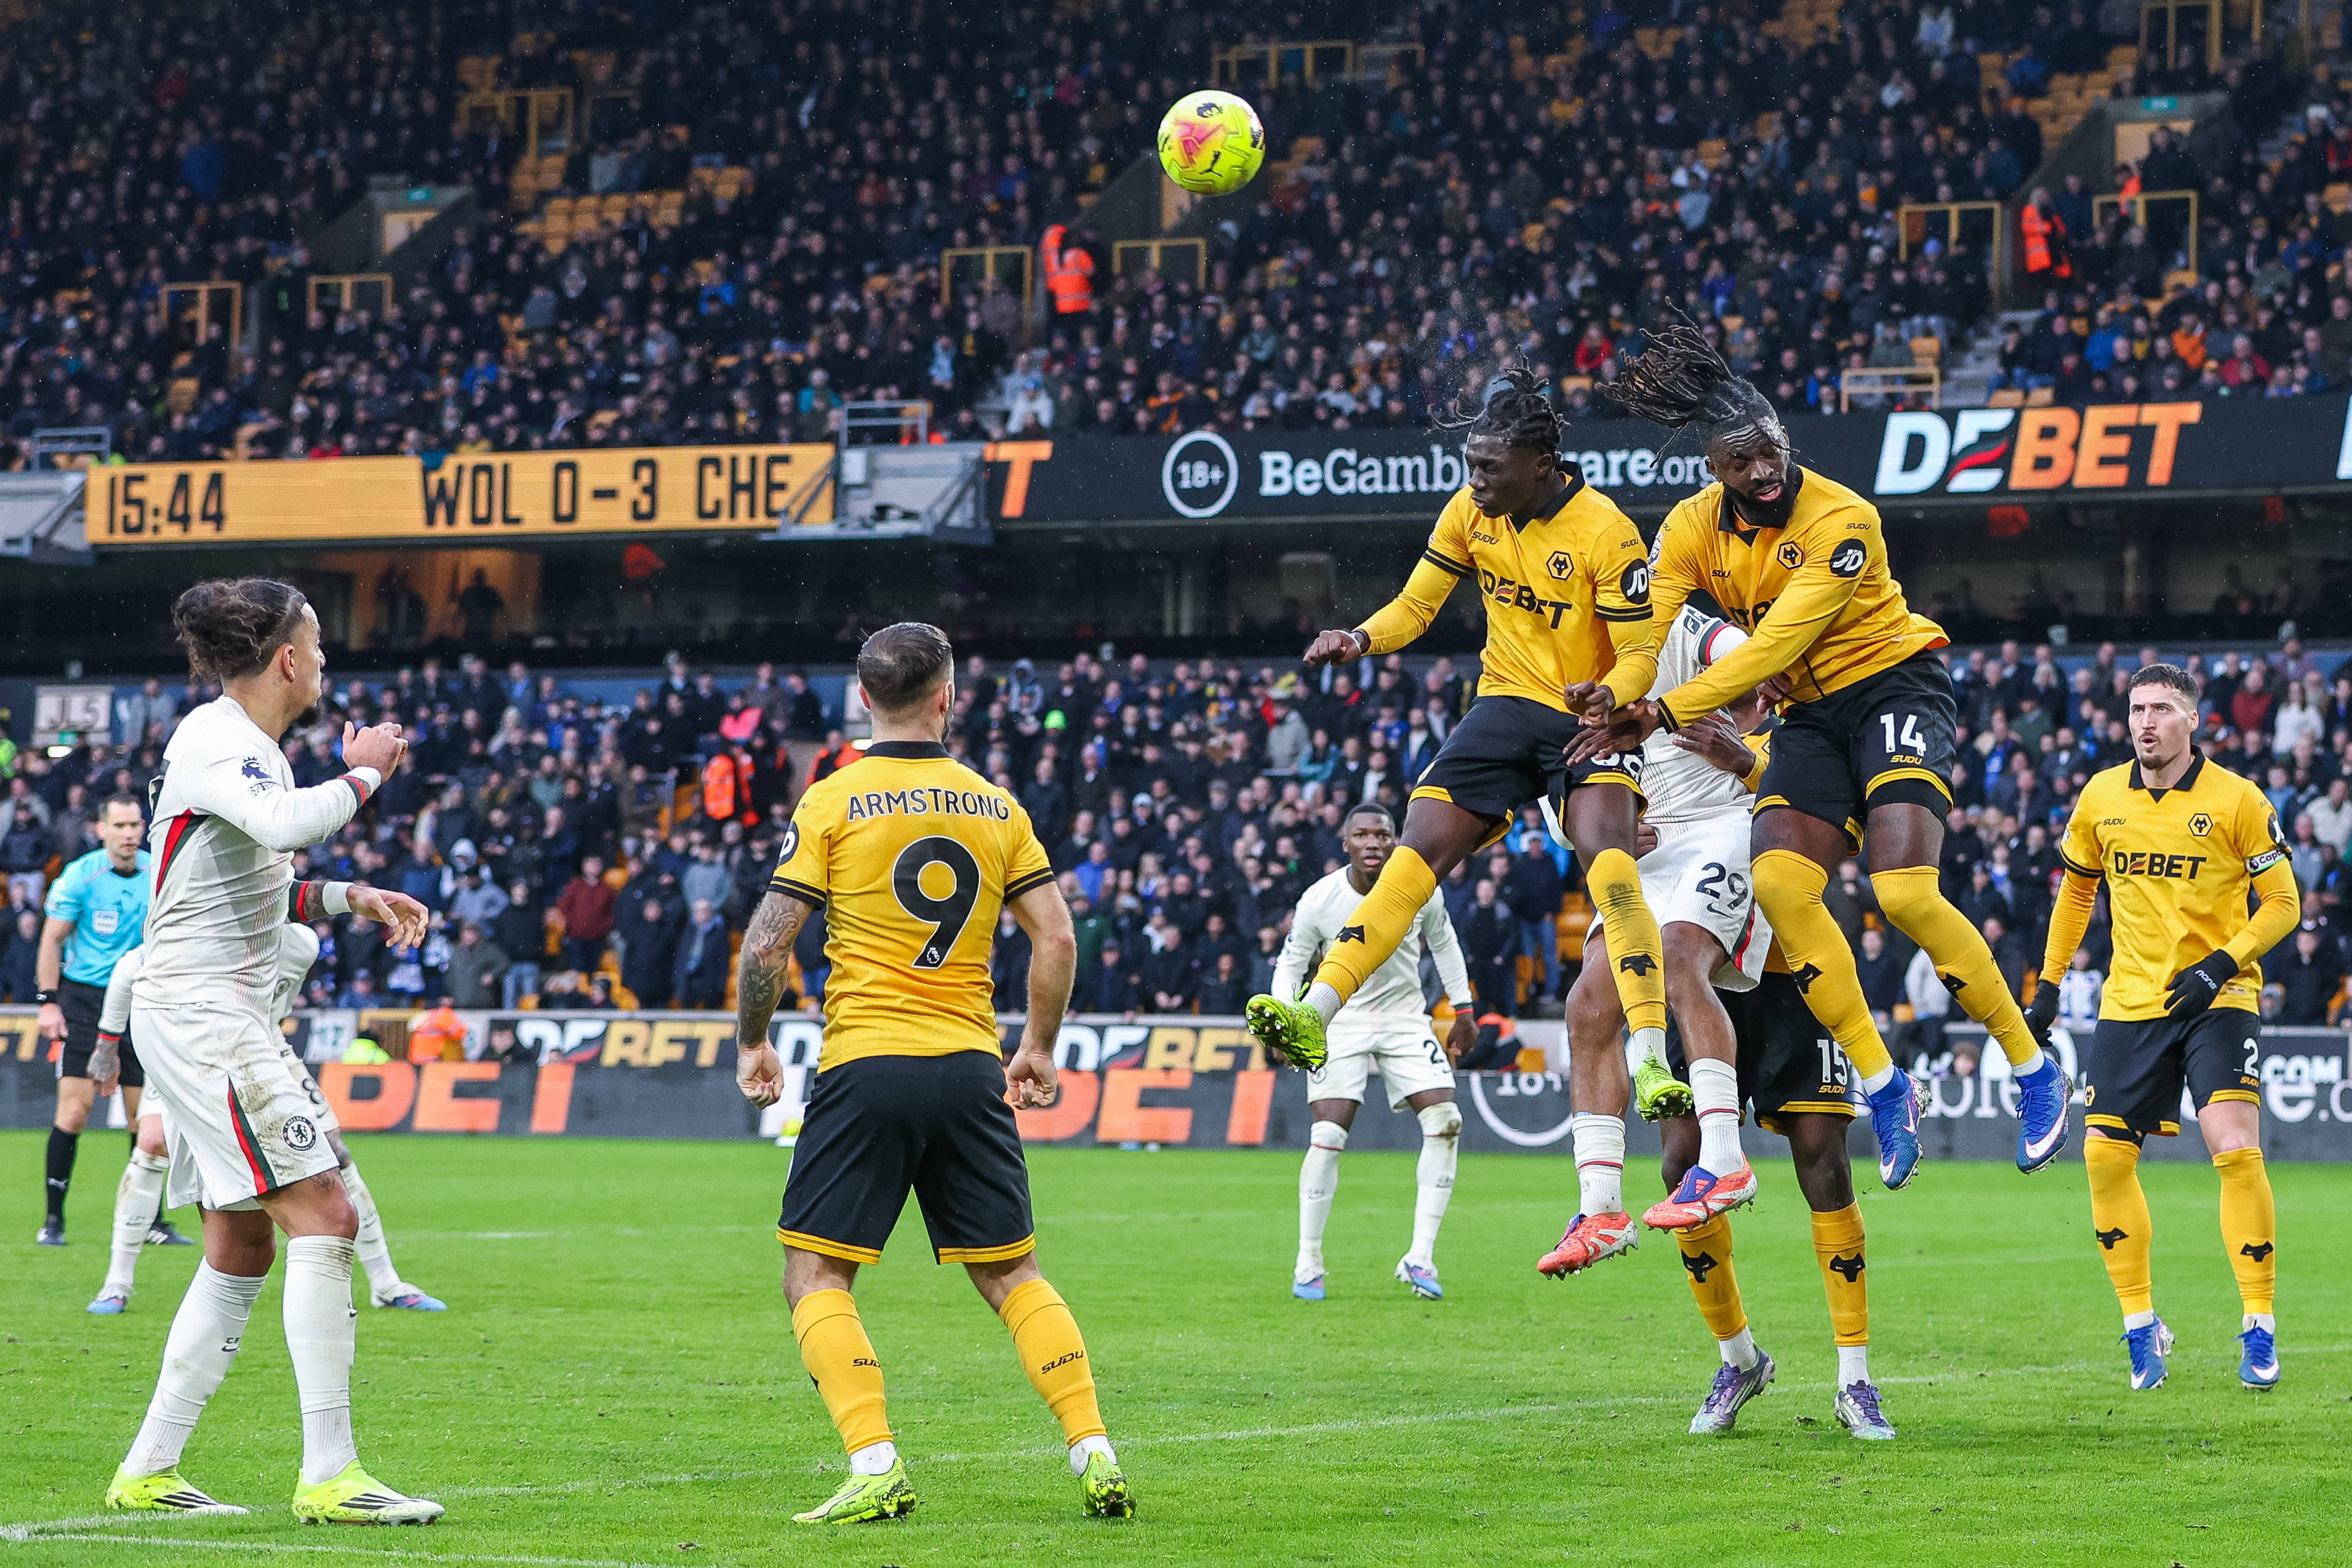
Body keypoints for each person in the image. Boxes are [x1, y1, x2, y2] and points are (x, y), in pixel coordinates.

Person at [1573, 317, 2072, 1190]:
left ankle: (2033, 1069)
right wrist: (1622, 693)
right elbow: (1651, 628)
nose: (1762, 472)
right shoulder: (1691, 528)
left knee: (1905, 891)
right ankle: (1884, 1083)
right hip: (1810, 716)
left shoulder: (1844, 518)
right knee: (1779, 885)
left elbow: (1768, 651)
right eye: (1741, 462)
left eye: (1770, 451)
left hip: (1891, 689)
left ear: (1785, 440)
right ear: (1714, 470)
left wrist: (1661, 711)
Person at [733, 622, 1133, 1524]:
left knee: (816, 1273)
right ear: (948, 697)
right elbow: (1057, 935)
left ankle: (874, 1462)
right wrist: (1034, 1047)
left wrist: (753, 1040)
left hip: (868, 1061)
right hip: (967, 1061)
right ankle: (1093, 1449)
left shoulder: (833, 799)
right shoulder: (996, 805)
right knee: (1013, 1273)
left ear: (863, 700)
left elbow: (770, 938)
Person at [108, 577, 441, 1522]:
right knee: (328, 1213)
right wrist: (369, 771)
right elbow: (287, 825)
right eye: (320, 643)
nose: (327, 659)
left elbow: (240, 877)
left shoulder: (241, 749)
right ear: (288, 658)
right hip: (208, 1017)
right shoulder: (221, 739)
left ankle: (148, 1468)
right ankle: (332, 1473)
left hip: (210, 1011)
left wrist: (347, 898)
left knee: (241, 1240)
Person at [1244, 366, 1670, 1088]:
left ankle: (1652, 1058)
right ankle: (1316, 1010)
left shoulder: (1606, 532)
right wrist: (1358, 638)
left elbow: (1640, 651)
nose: (1474, 482)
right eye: (1470, 465)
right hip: (1503, 704)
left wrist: (1609, 694)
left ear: (1541, 468)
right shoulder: (1472, 514)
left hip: (1587, 715)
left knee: (1611, 870)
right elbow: (1416, 607)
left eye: (1490, 469)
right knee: (1416, 851)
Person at [2025, 664, 2299, 1391]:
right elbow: (2075, 894)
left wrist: (2223, 961)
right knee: (2103, 1157)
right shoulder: (2100, 797)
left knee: (2233, 1144)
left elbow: (2283, 903)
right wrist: (2048, 986)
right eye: (2137, 709)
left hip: (2219, 997)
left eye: (2162, 710)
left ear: (2192, 721)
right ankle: (2141, 1327)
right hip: (2130, 1003)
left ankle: (2259, 1324)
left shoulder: (2238, 800)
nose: (2146, 722)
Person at [1539, 602, 1777, 1276]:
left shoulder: (1672, 621)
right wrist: (1593, 833)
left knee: (1676, 963)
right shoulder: (1555, 660)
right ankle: (1600, 1209)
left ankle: (1725, 1161)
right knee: (1586, 1007)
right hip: (1642, 847)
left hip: (1721, 819)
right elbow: (1553, 788)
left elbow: (1752, 650)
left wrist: (1760, 683)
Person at [88, 926, 446, 1316]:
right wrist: (107, 1043)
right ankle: (116, 1283)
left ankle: (387, 1284)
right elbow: (129, 968)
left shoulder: (300, 944)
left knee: (334, 1151)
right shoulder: (212, 923)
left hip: (261, 1049)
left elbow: (273, 1012)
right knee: (153, 1142)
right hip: (187, 1049)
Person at [1273, 802, 1475, 1301]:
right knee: (1327, 1133)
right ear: (1345, 842)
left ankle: (1419, 1257)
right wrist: (1284, 1021)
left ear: (1394, 839)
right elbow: (1291, 963)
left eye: (1381, 834)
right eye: (1360, 834)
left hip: (1405, 1017)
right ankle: (1308, 1262)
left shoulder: (1417, 884)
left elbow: (1444, 942)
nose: (1372, 842)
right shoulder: (1319, 899)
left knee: (1446, 1121)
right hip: (1337, 1018)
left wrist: (1464, 1008)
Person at [34, 794, 182, 1247]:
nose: (129, 833)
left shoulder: (159, 872)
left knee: (146, 1120)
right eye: (119, 825)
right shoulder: (81, 875)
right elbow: (51, 940)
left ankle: (153, 1223)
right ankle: (54, 1220)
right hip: (85, 1002)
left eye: (135, 824)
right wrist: (48, 1002)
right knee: (74, 1112)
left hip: (143, 999)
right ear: (102, 829)